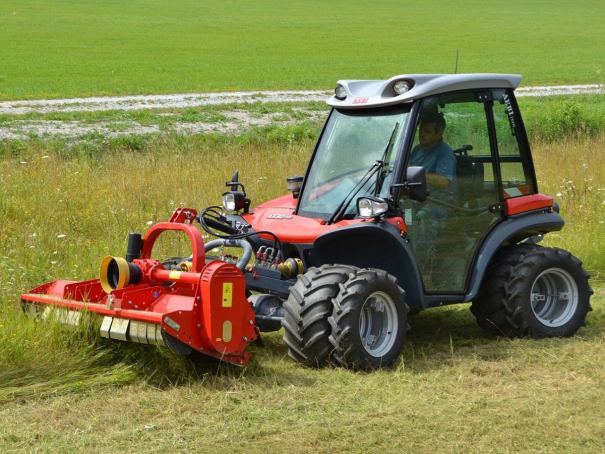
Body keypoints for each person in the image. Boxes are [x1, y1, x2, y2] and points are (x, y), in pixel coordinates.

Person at [407, 112, 457, 276]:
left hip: (441, 202)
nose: (422, 135)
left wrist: (416, 174)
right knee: (396, 211)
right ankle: (406, 259)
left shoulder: (444, 153)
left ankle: (425, 268)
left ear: (439, 134)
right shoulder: (416, 150)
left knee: (423, 216)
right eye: (421, 130)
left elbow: (444, 181)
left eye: (428, 132)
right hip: (416, 198)